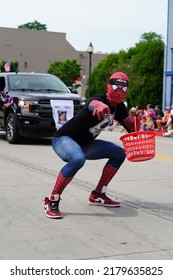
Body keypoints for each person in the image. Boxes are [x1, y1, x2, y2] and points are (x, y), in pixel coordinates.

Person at [44, 71, 140, 219]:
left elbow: (133, 132)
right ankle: (52, 200)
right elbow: (92, 104)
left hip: (86, 143)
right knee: (77, 159)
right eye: (116, 87)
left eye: (124, 88)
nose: (119, 91)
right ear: (108, 86)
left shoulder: (120, 107)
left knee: (119, 153)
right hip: (64, 139)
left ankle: (98, 194)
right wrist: (99, 106)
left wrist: (137, 121)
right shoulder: (98, 99)